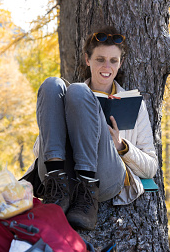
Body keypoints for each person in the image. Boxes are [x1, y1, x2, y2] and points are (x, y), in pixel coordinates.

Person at [23, 26, 158, 230]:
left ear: (120, 63)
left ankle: (87, 193)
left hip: (103, 178)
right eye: (100, 59)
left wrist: (122, 146)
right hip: (60, 174)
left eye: (113, 60)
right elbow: (37, 152)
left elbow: (151, 168)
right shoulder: (69, 96)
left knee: (78, 90)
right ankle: (57, 192)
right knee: (54, 84)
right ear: (88, 60)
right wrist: (62, 125)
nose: (107, 66)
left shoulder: (134, 105)